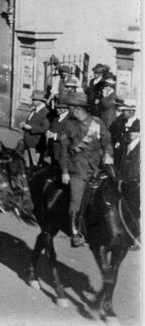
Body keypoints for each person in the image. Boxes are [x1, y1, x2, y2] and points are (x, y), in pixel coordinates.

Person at [56, 90, 113, 247]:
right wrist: (65, 172)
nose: (69, 109)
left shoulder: (98, 123)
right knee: (77, 199)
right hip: (77, 169)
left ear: (77, 108)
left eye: (70, 107)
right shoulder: (68, 124)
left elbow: (107, 141)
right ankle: (76, 232)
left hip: (97, 167)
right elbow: (63, 150)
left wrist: (108, 153)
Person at [20, 89, 51, 166]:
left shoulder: (45, 112)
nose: (32, 101)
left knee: (35, 165)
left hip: (35, 144)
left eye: (33, 100)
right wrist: (24, 125)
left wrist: (30, 128)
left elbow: (44, 128)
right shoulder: (34, 110)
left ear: (39, 101)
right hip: (28, 142)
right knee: (26, 165)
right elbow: (30, 122)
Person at [110, 99, 139, 171]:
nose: (122, 112)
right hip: (119, 154)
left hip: (130, 157)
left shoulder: (138, 124)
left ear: (131, 111)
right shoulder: (121, 121)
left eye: (124, 111)